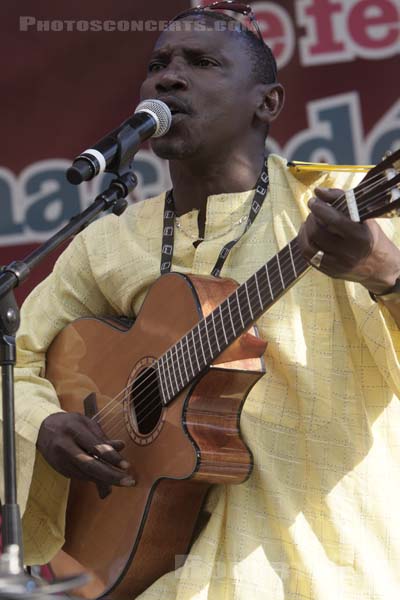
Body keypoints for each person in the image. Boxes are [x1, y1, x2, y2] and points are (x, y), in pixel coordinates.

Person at [7, 3, 400, 599]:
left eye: (202, 62)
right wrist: (47, 424)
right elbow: (17, 357)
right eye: (159, 63)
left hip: (318, 566)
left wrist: (386, 271)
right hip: (147, 577)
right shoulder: (109, 241)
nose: (169, 76)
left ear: (266, 102)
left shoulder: (341, 205)